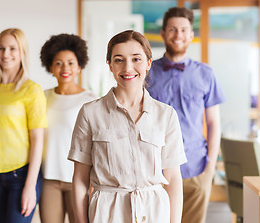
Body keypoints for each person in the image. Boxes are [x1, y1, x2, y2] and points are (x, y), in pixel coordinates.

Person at [69, 30, 187, 223]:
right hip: (106, 214)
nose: (128, 67)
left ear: (148, 63)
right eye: (119, 60)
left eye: (136, 59)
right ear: (110, 65)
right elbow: (80, 180)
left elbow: (173, 178)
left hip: (154, 213)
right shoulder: (90, 113)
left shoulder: (166, 115)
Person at [145, 7, 226, 223]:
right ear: (162, 33)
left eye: (183, 30)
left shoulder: (206, 74)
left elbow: (213, 123)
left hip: (196, 167)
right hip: (155, 170)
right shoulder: (146, 73)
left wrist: (209, 170)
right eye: (172, 29)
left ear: (191, 35)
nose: (178, 35)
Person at [0, 28, 47, 223]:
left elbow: (37, 139)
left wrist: (30, 185)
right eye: (1, 48)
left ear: (22, 53)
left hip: (21, 175)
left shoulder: (32, 90)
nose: (6, 54)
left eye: (12, 48)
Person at [39, 33, 96, 223]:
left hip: (78, 181)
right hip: (49, 178)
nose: (65, 68)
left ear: (79, 66)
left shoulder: (91, 100)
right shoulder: (41, 97)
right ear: (50, 67)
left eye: (71, 63)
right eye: (59, 63)